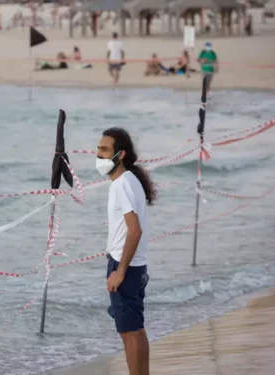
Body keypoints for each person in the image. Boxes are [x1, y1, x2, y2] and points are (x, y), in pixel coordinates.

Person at [96, 127, 154, 375]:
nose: (98, 154)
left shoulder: (122, 184)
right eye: (98, 148)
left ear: (119, 155)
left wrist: (119, 272)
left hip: (126, 267)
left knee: (129, 333)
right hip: (134, 265)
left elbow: (135, 231)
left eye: (104, 150)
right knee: (135, 330)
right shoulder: (128, 180)